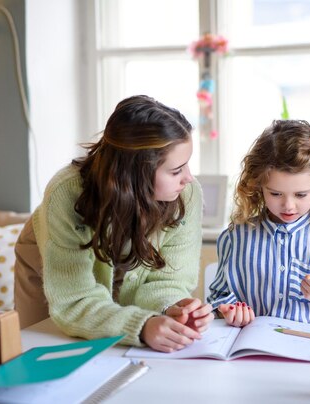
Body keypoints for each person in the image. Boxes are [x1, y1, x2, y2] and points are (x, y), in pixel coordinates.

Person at [14, 95, 214, 353]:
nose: (188, 178)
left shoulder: (186, 195)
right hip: (48, 260)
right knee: (44, 348)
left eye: (187, 165)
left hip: (121, 257)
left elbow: (166, 281)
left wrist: (172, 306)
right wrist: (141, 326)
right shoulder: (67, 194)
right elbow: (74, 301)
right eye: (176, 170)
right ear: (134, 173)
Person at [207, 120, 310, 328]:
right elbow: (218, 298)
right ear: (259, 186)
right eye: (275, 194)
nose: (288, 205)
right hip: (250, 354)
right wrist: (228, 311)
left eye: (301, 194)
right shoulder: (235, 238)